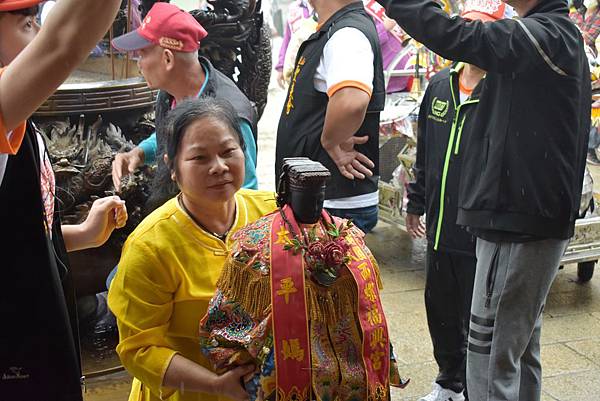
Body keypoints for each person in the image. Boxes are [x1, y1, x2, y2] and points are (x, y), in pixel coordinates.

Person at [385, 0, 591, 399]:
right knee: (518, 345)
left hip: (518, 221)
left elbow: (463, 37)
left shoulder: (550, 34)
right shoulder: (543, 37)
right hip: (519, 216)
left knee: (491, 349)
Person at [107, 98, 277, 401]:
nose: (219, 167)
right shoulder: (151, 247)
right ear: (173, 169)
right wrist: (215, 385)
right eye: (199, 158)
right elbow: (139, 350)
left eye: (228, 152)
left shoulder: (272, 215)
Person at [199, 158, 406, 401]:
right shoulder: (255, 246)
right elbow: (222, 319)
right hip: (285, 375)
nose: (316, 202)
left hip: (354, 377)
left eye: (320, 194)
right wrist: (241, 370)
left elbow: (369, 311)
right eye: (307, 194)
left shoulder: (350, 238)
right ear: (287, 192)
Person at [0, 0, 126, 400]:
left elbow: (16, 235)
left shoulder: (21, 126)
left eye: (38, 23)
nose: (37, 34)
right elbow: (65, 40)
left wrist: (82, 234)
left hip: (40, 334)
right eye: (26, 24)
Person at [405, 3, 512, 400]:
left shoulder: (503, 90)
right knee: (441, 311)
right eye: (467, 28)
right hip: (439, 229)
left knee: (479, 316)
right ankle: (448, 381)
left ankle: (472, 385)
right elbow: (424, 152)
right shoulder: (439, 84)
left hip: (480, 232)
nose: (471, 37)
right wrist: (416, 202)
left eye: (482, 30)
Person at [111, 2, 259, 194]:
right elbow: (173, 132)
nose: (139, 64)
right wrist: (138, 153)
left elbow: (246, 192)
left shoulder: (230, 114)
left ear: (168, 59)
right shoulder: (170, 94)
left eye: (142, 54)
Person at [275, 0, 385, 234]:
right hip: (324, 199)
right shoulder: (338, 28)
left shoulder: (347, 34)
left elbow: (351, 100)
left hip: (333, 205)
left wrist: (331, 141)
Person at [274, 0, 314, 88]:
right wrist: (281, 66)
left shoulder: (325, 6)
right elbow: (287, 38)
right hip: (297, 64)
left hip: (316, 62)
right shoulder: (295, 8)